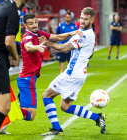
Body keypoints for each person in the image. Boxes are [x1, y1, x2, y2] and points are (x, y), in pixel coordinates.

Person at [0, 13, 83, 134]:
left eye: (35, 22)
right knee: (31, 115)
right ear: (26, 26)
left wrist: (71, 33)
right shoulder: (27, 36)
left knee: (27, 111)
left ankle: (3, 118)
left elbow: (58, 37)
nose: (34, 25)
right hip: (27, 79)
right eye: (31, 23)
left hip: (27, 78)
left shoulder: (40, 34)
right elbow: (28, 47)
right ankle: (3, 112)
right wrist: (37, 47)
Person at [39, 7, 106, 136]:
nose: (82, 21)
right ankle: (98, 117)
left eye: (86, 19)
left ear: (92, 19)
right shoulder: (84, 32)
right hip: (79, 73)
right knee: (65, 106)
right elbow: (86, 52)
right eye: (81, 18)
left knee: (46, 95)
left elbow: (65, 48)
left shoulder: (85, 35)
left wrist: (48, 43)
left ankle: (56, 128)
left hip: (72, 74)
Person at [0, 0, 24, 139]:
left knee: (5, 106)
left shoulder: (1, 7)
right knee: (4, 107)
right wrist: (16, 56)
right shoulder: (13, 10)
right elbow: (9, 42)